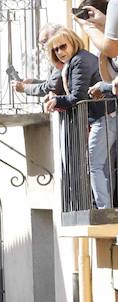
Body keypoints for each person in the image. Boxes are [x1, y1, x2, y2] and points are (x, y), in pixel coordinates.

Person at [43, 27, 116, 208]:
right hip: (104, 117)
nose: (60, 52)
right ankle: (105, 206)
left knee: (94, 164)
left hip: (105, 116)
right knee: (102, 165)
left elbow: (78, 97)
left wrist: (56, 101)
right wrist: (56, 98)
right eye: (55, 49)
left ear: (73, 43)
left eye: (62, 46)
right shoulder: (76, 60)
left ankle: (103, 209)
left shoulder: (80, 60)